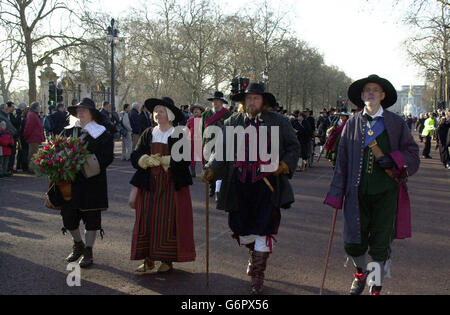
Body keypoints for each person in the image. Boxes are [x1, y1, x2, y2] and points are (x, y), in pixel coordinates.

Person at [324, 75, 420, 295]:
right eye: (367, 90)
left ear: (383, 95)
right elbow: (342, 161)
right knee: (354, 241)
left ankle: (375, 283)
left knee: (380, 244)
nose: (371, 93)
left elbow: (412, 154)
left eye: (375, 90)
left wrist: (395, 159)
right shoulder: (351, 124)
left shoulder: (396, 124)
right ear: (362, 95)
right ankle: (359, 273)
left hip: (387, 193)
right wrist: (337, 193)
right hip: (356, 193)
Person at [201, 83, 301, 295]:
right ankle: (253, 253)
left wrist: (284, 164)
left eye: (256, 98)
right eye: (248, 99)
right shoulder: (231, 122)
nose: (252, 102)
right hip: (238, 185)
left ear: (263, 101)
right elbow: (220, 151)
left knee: (264, 228)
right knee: (240, 229)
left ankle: (258, 276)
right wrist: (211, 168)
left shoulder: (279, 121)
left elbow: (294, 147)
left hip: (268, 187)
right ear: (243, 102)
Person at [129, 97, 196, 274]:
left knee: (167, 220)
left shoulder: (179, 133)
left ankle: (167, 260)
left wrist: (168, 160)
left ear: (170, 114)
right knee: (146, 219)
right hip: (149, 184)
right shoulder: (148, 133)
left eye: (162, 111)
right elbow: (135, 156)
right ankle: (148, 259)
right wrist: (145, 159)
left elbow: (186, 159)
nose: (158, 114)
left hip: (170, 185)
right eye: (156, 111)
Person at [62, 98, 115, 268]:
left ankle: (88, 250)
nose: (81, 112)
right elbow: (58, 148)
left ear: (92, 113)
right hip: (69, 182)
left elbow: (107, 157)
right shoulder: (68, 131)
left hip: (92, 181)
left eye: (84, 109)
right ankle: (78, 244)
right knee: (68, 217)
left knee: (91, 217)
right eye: (79, 110)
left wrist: (88, 164)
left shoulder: (102, 133)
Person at [201, 91, 232, 202]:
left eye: (218, 101)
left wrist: (222, 125)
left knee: (220, 167)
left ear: (222, 102)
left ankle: (218, 190)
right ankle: (211, 186)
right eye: (214, 101)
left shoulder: (227, 114)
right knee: (208, 166)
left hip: (222, 143)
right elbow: (202, 130)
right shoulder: (206, 114)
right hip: (208, 144)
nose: (216, 103)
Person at [23, 102, 44, 171]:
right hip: (33, 137)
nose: (40, 108)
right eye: (39, 106)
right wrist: (26, 135)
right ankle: (32, 168)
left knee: (34, 153)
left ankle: (33, 167)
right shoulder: (32, 115)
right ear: (36, 107)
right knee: (33, 153)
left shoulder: (33, 114)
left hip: (35, 137)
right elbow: (29, 127)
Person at [186, 104, 205, 177]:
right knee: (192, 157)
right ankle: (193, 172)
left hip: (202, 141)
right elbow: (186, 129)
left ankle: (204, 172)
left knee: (203, 156)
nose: (196, 110)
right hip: (192, 141)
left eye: (198, 109)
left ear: (201, 111)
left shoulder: (204, 119)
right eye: (194, 110)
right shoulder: (190, 119)